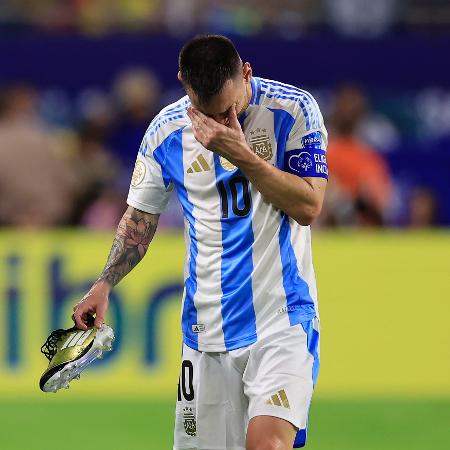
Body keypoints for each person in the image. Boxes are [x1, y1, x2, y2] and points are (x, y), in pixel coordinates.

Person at [72, 35, 328, 450]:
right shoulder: (166, 132)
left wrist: (242, 155)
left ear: (246, 72)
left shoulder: (292, 110)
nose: (222, 122)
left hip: (282, 318)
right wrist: (104, 284)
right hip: (205, 329)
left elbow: (310, 206)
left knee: (268, 445)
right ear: (183, 85)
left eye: (231, 109)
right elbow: (139, 219)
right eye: (208, 113)